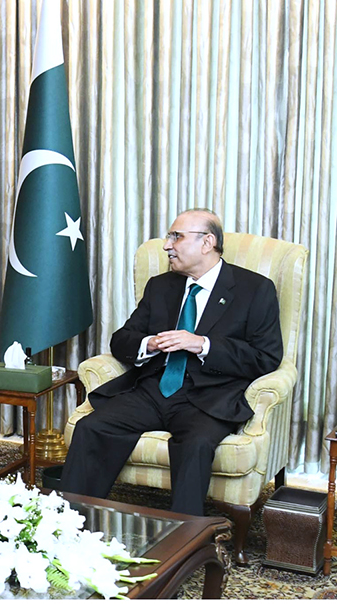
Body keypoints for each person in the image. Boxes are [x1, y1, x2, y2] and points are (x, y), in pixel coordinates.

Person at [60, 209, 283, 516]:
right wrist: (148, 344)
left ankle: (184, 541)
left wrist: (202, 344)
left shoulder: (255, 290)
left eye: (176, 237)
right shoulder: (161, 286)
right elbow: (121, 339)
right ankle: (71, 523)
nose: (167, 245)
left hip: (209, 397)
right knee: (91, 427)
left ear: (207, 242)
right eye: (169, 237)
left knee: (195, 446)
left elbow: (266, 358)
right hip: (153, 390)